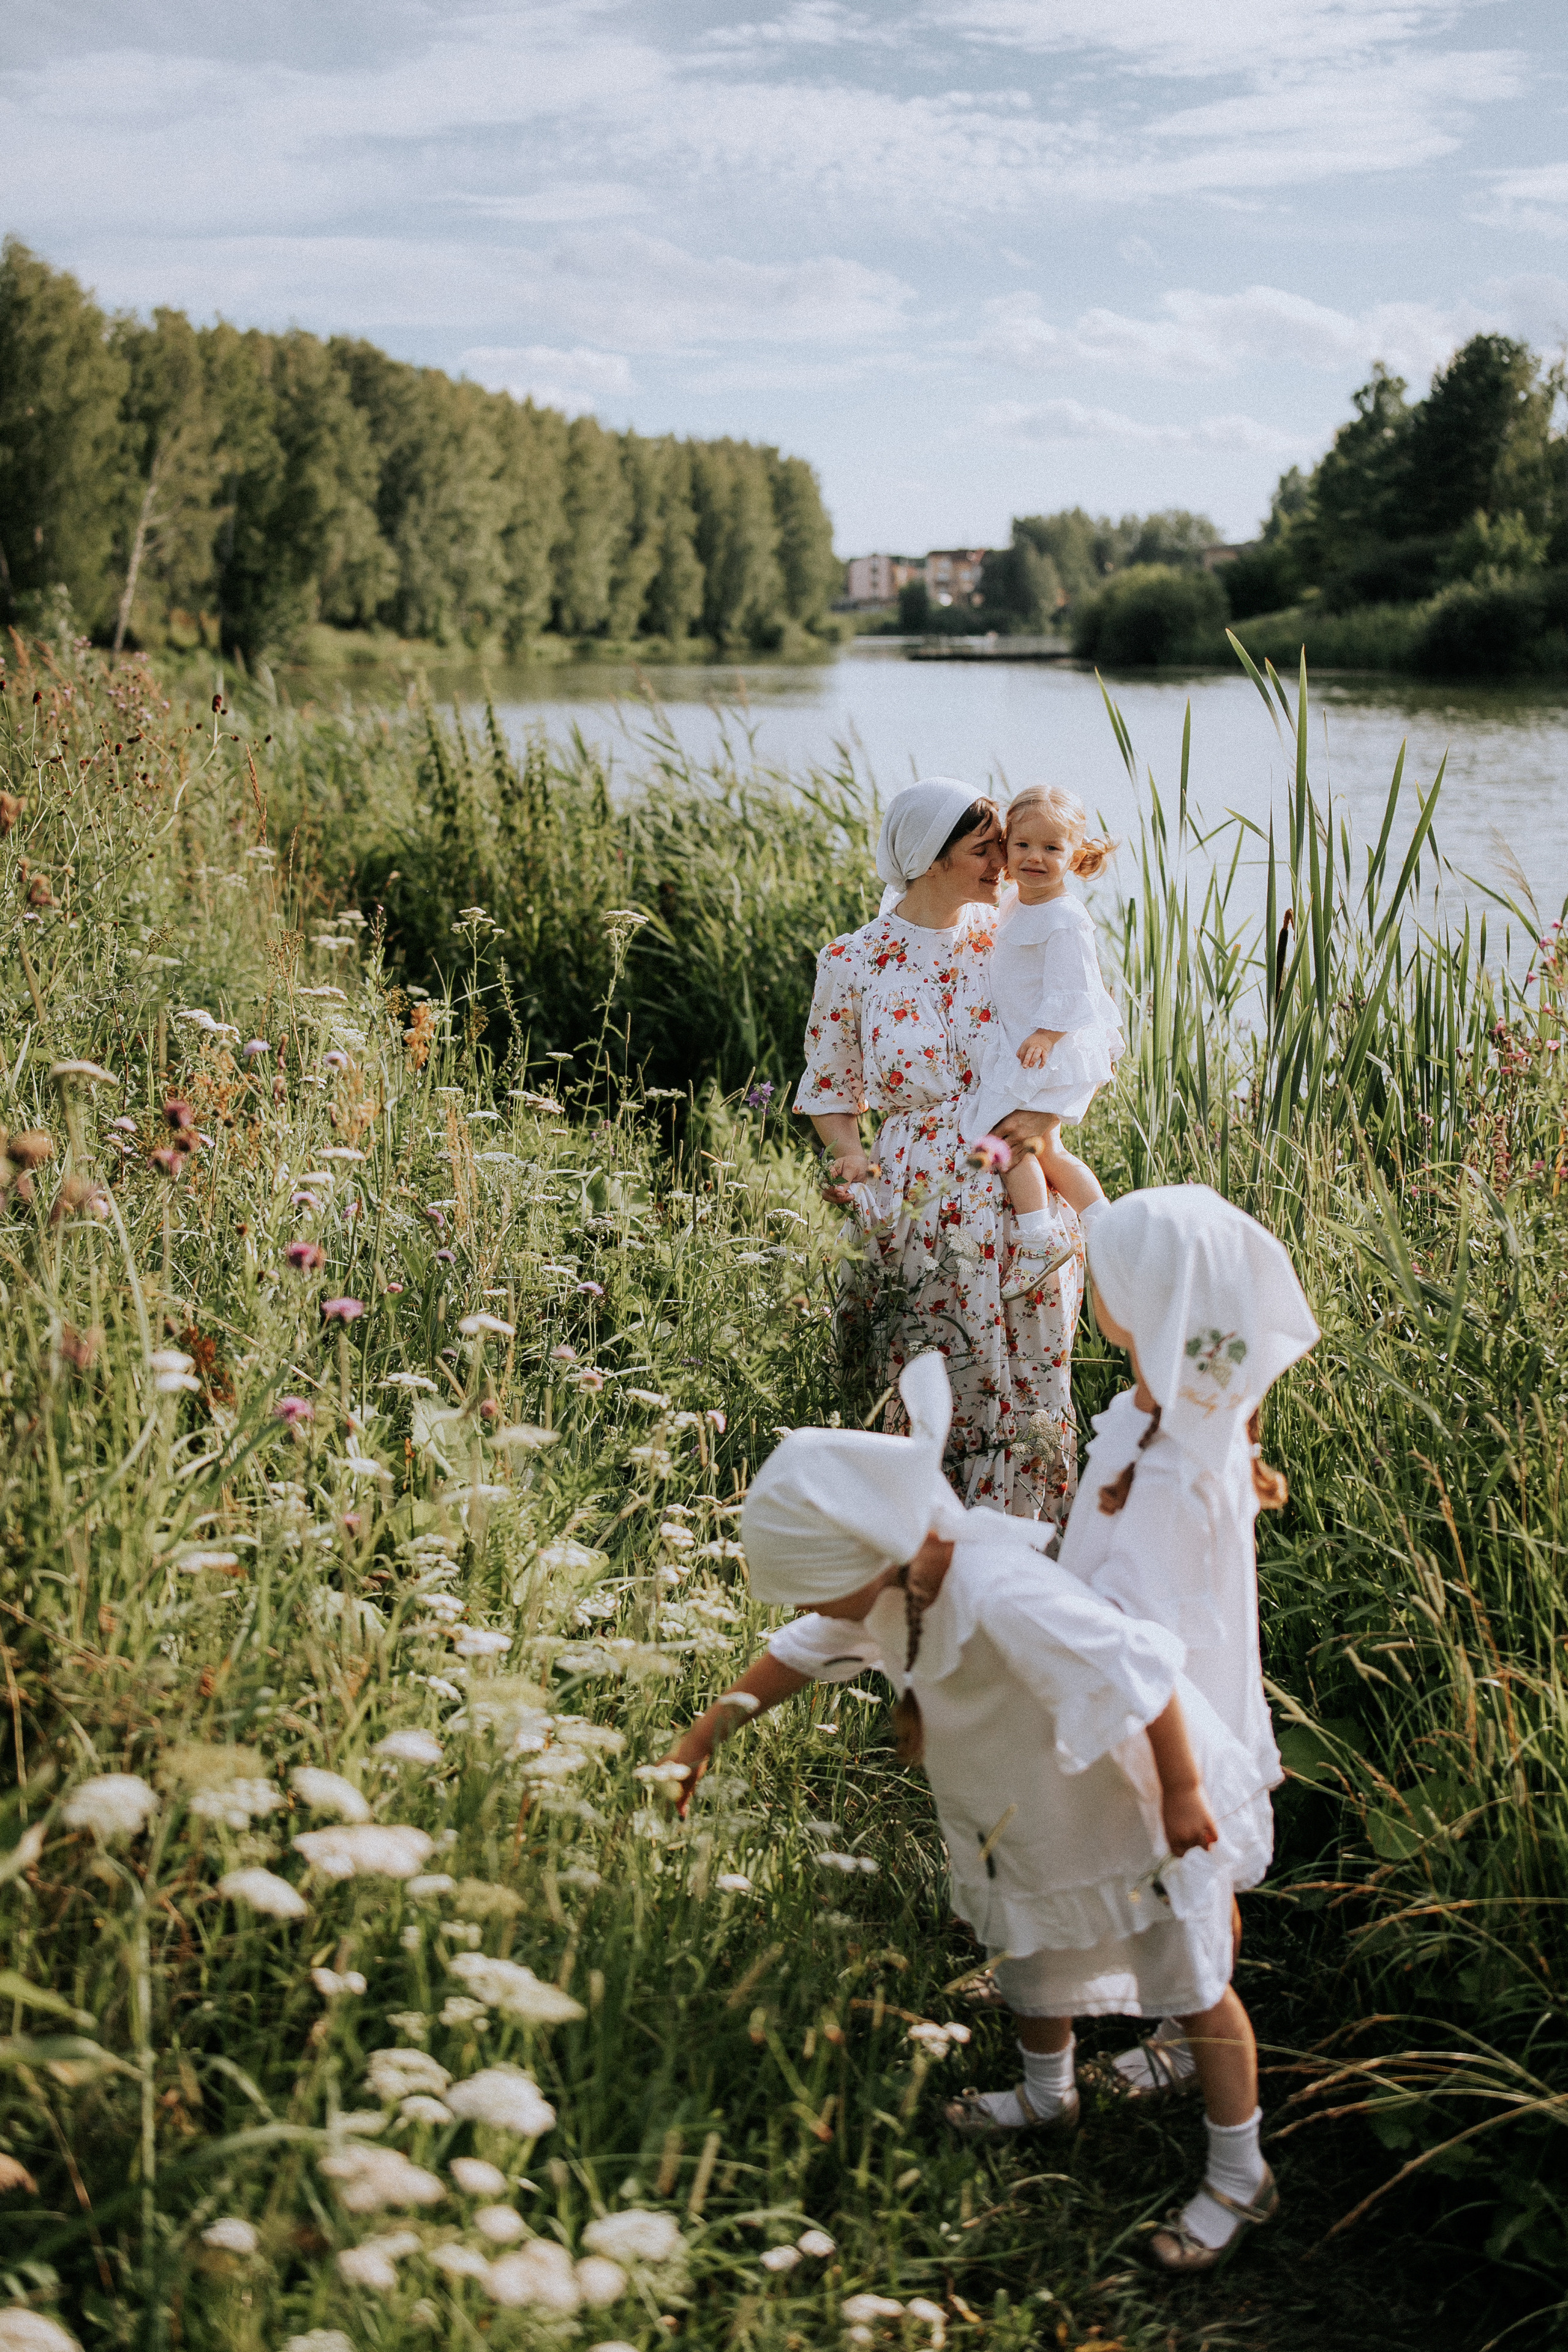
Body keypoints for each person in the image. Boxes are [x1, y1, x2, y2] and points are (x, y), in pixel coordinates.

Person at [663, 1355, 1282, 2276]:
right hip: (1025, 1815)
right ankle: (1047, 2094)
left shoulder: (998, 1592)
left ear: (859, 1559)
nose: (801, 1603)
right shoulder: (891, 1586)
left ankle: (1241, 2171)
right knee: (1028, 1950)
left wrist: (1186, 1795)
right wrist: (702, 1736)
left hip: (1128, 1806)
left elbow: (1141, 1676)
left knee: (1192, 1982)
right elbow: (800, 1653)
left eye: (807, 1582)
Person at [1060, 1184, 1319, 2134]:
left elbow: (1146, 1630)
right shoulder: (1178, 1405)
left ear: (1142, 1307)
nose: (1090, 1288)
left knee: (1187, 1896)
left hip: (1170, 1713)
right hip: (1172, 1696)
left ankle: (1192, 2043)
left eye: (1101, 1276)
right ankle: (1170, 2022)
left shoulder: (1176, 1465)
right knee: (1186, 1888)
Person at [795, 778, 1085, 1523]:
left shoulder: (1014, 934)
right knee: (927, 1378)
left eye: (1002, 849)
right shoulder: (853, 960)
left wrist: (1041, 1113)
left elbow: (1083, 1026)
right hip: (916, 1199)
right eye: (984, 850)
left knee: (1026, 1383)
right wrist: (853, 1164)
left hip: (1018, 1191)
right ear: (930, 859)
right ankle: (919, 1552)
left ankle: (1031, 1556)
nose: (1003, 865)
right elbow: (831, 1086)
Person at [960, 786, 1122, 1302]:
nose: (1035, 857)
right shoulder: (1015, 902)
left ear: (1075, 857)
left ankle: (1036, 1240)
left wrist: (1047, 1035)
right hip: (1031, 1044)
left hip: (1050, 1048)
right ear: (1005, 849)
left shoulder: (1065, 918)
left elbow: (1075, 989)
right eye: (1023, 845)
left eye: (1052, 849)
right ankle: (1106, 1228)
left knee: (1005, 1140)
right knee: (1047, 1148)